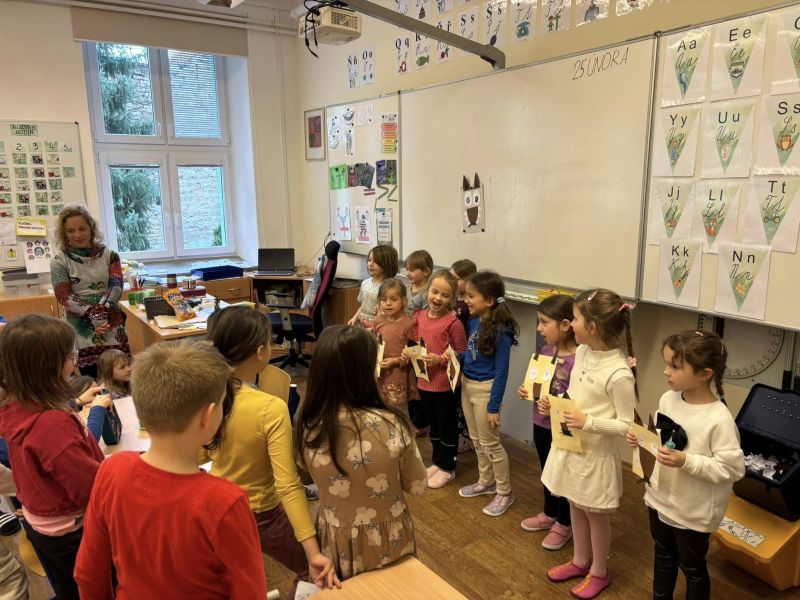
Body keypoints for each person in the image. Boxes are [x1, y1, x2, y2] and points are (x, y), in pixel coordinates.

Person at [74, 340, 268, 598]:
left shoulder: (111, 470)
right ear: (208, 416)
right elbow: (251, 593)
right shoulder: (226, 502)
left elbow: (88, 572)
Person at [204, 306, 337, 591]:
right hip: (262, 513)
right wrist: (313, 551)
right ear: (260, 351)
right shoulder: (270, 408)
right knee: (311, 570)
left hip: (218, 509)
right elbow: (287, 484)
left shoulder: (206, 394)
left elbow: (200, 454)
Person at [294, 325, 427, 580]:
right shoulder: (392, 424)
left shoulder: (307, 426)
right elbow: (417, 485)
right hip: (391, 537)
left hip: (334, 538)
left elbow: (305, 476)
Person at [626, 330, 744, 600]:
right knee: (663, 554)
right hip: (660, 499)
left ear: (704, 374)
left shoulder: (719, 419)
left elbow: (733, 469)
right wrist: (642, 440)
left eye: (675, 366)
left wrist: (687, 461)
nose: (665, 371)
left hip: (693, 511)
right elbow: (664, 440)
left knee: (692, 567)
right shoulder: (668, 399)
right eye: (666, 363)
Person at [539, 288, 636, 599]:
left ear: (592, 327)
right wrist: (555, 403)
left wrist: (588, 422)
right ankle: (580, 561)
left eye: (576, 319)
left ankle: (599, 571)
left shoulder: (619, 374)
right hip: (572, 447)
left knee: (594, 514)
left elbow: (626, 425)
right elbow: (576, 396)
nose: (572, 323)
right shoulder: (583, 352)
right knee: (575, 505)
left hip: (596, 458)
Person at [0, 315, 105, 600]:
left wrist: (75, 404)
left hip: (46, 523)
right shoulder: (52, 424)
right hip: (72, 530)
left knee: (68, 586)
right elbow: (88, 488)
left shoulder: (19, 405)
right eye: (69, 356)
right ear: (51, 366)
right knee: (89, 589)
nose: (73, 361)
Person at [455, 271, 519, 517]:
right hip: (467, 385)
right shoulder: (473, 321)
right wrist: (455, 357)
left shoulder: (501, 331)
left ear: (489, 301)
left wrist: (493, 407)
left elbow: (502, 373)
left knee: (491, 443)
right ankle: (486, 482)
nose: (466, 300)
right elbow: (472, 355)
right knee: (477, 440)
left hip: (486, 391)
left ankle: (504, 492)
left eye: (471, 296)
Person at [517, 294, 577, 550]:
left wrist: (557, 403)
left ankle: (565, 523)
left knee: (563, 474)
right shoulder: (544, 351)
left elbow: (579, 399)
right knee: (547, 470)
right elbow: (538, 383)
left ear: (565, 325)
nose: (539, 328)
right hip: (541, 422)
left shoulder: (580, 359)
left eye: (544, 322)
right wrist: (527, 389)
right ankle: (550, 512)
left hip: (563, 428)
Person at [404, 270, 467, 488]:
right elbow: (415, 342)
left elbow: (461, 352)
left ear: (453, 298)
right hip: (424, 381)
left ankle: (448, 467)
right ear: (427, 291)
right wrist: (408, 351)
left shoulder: (453, 323)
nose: (438, 298)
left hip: (445, 385)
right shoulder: (419, 316)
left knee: (447, 425)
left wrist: (440, 359)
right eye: (435, 292)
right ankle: (437, 462)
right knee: (434, 425)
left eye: (445, 295)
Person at [50, 205, 128, 379]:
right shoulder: (59, 260)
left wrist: (102, 311)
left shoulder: (110, 255)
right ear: (64, 233)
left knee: (120, 375)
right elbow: (63, 295)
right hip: (79, 326)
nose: (77, 235)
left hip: (111, 321)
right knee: (87, 379)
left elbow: (116, 285)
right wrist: (92, 314)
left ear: (91, 228)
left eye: (82, 229)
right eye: (71, 231)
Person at [372, 279, 415, 411]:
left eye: (394, 299)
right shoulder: (378, 321)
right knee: (382, 406)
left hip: (399, 373)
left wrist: (396, 361)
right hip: (381, 372)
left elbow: (414, 353)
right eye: (384, 299)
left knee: (399, 410)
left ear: (403, 301)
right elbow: (376, 344)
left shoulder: (409, 324)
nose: (388, 303)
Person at [450, 259, 478, 453]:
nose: (451, 281)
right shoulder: (453, 298)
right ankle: (460, 433)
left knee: (463, 397)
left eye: (456, 278)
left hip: (464, 354)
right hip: (452, 354)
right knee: (455, 397)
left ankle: (468, 436)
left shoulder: (468, 306)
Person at [348, 245, 399, 329]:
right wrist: (355, 317)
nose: (370, 264)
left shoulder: (389, 288)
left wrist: (374, 328)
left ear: (386, 264)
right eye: (369, 260)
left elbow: (391, 315)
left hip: (378, 328)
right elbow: (363, 306)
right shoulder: (365, 283)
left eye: (376, 262)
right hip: (362, 327)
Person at [403, 249, 433, 315]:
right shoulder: (406, 288)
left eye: (412, 270)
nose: (407, 274)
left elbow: (426, 318)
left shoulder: (427, 295)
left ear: (426, 271)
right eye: (407, 269)